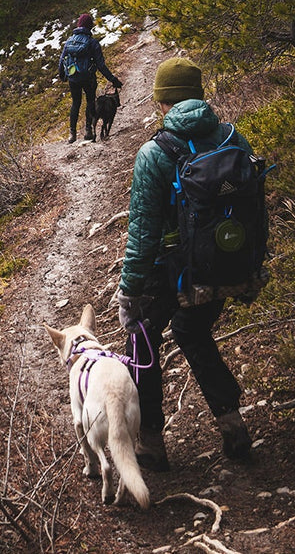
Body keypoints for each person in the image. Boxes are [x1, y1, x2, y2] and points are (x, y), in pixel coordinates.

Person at [111, 56, 253, 469]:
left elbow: (142, 235)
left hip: (172, 273)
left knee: (143, 336)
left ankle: (151, 442)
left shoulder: (155, 153)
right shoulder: (231, 136)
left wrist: (129, 294)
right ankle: (232, 424)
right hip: (227, 262)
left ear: (163, 102)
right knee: (192, 329)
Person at [58, 12, 122, 143]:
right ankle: (88, 130)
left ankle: (72, 134)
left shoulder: (69, 41)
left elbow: (61, 60)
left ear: (78, 25)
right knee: (90, 101)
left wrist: (62, 75)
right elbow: (101, 65)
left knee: (75, 103)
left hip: (73, 78)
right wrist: (113, 80)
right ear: (90, 26)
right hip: (88, 77)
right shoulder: (92, 43)